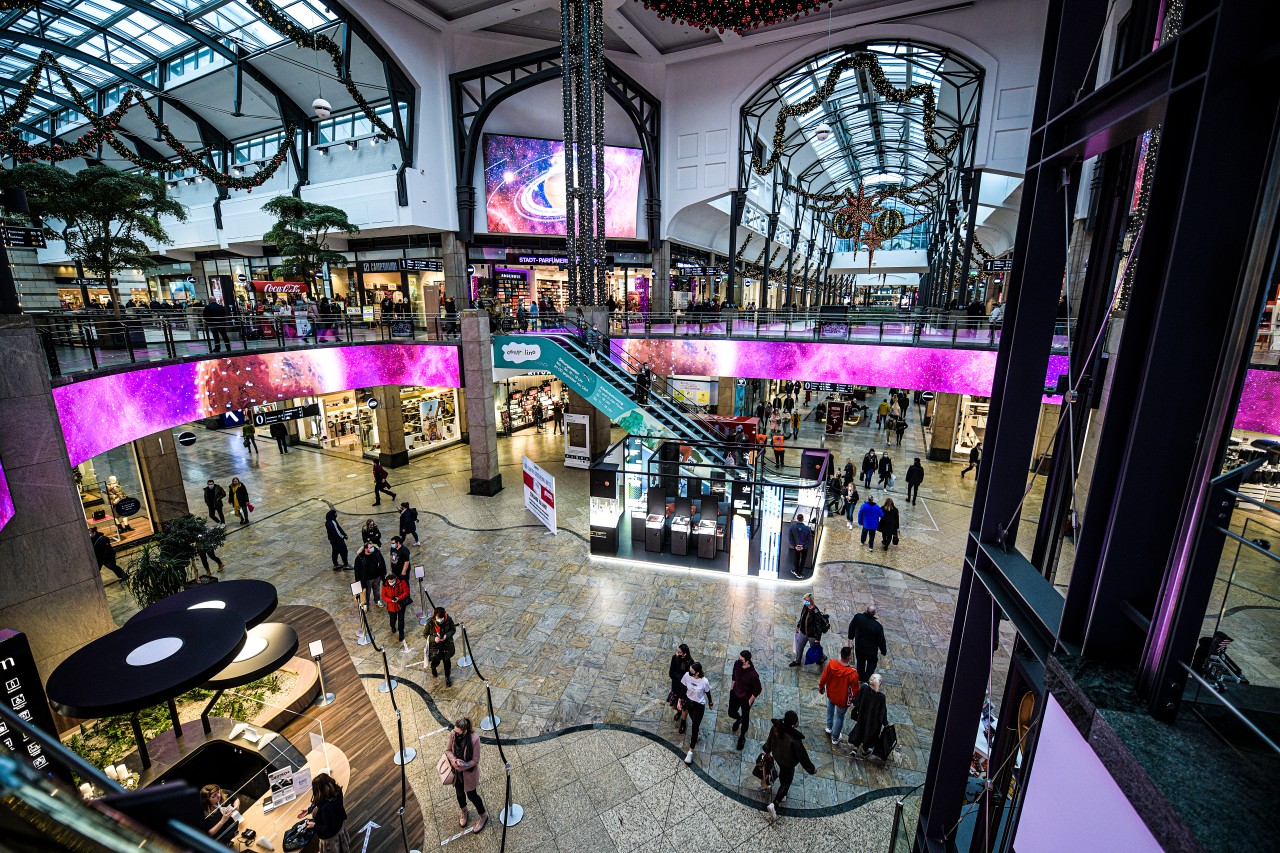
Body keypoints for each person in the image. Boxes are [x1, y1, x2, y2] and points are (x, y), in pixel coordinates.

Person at [762, 711, 816, 823]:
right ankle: (775, 804)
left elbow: (769, 740)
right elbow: (803, 757)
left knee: (783, 774)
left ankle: (783, 795)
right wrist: (812, 769)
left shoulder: (776, 727)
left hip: (778, 758)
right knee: (787, 782)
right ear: (792, 725)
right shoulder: (795, 739)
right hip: (789, 763)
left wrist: (767, 750)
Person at [445, 718, 488, 833]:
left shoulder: (474, 739)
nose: (455, 733)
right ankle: (464, 811)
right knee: (459, 794)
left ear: (465, 731)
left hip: (468, 773)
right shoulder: (453, 734)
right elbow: (448, 750)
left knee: (472, 795)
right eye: (455, 731)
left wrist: (463, 765)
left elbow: (475, 760)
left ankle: (483, 815)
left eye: (458, 732)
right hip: (457, 773)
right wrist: (454, 760)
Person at [818, 647, 860, 746]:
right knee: (840, 717)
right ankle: (835, 737)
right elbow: (855, 690)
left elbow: (823, 677)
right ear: (849, 657)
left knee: (830, 709)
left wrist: (821, 688)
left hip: (831, 693)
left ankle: (828, 727)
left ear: (840, 654)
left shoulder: (831, 664)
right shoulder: (853, 674)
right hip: (843, 699)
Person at [299, 772, 349, 853]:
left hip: (331, 838)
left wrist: (314, 825)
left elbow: (328, 828)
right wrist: (309, 809)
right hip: (340, 824)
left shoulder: (327, 808)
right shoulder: (337, 791)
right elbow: (322, 799)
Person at [679, 660, 714, 765]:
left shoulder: (704, 682)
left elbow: (708, 693)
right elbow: (683, 688)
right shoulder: (687, 676)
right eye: (689, 669)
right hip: (688, 702)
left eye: (691, 670)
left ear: (697, 673)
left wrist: (710, 703)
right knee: (692, 720)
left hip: (698, 705)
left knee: (695, 726)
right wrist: (679, 700)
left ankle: (690, 751)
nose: (689, 671)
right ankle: (692, 731)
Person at [848, 674, 889, 760]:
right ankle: (864, 750)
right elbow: (882, 712)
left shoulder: (864, 688)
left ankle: (855, 749)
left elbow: (856, 702)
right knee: (868, 735)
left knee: (859, 730)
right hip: (873, 721)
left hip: (862, 716)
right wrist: (885, 723)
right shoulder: (881, 697)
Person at [728, 650, 762, 751]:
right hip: (735, 693)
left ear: (747, 661)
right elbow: (734, 676)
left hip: (746, 699)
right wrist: (732, 688)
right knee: (731, 712)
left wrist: (749, 701)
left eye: (741, 660)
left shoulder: (753, 675)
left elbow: (758, 689)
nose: (739, 660)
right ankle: (739, 719)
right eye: (739, 658)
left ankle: (742, 737)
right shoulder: (737, 664)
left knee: (746, 719)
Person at [848, 605, 888, 683]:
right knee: (871, 665)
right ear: (874, 613)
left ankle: (860, 677)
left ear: (866, 610)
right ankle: (866, 681)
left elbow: (851, 627)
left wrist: (851, 637)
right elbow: (881, 640)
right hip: (871, 651)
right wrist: (883, 651)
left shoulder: (858, 617)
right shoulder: (877, 626)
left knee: (860, 663)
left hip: (859, 647)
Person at [789, 593, 826, 667]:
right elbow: (802, 617)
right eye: (804, 600)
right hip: (803, 632)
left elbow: (819, 627)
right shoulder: (805, 606)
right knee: (800, 645)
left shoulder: (816, 612)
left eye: (806, 600)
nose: (804, 601)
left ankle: (822, 657)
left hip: (812, 635)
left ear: (811, 601)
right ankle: (797, 660)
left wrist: (817, 639)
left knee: (814, 648)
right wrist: (799, 625)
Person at [426, 606, 457, 685]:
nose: (440, 620)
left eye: (441, 618)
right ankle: (433, 668)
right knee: (436, 662)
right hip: (435, 647)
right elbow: (425, 634)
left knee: (447, 663)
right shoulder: (430, 623)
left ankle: (447, 677)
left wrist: (447, 635)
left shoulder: (448, 619)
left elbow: (453, 629)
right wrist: (434, 638)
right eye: (438, 618)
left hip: (446, 645)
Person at [353, 542, 385, 607]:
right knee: (366, 592)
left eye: (373, 547)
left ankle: (377, 601)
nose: (372, 548)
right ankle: (365, 604)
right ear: (366, 549)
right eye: (370, 547)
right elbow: (357, 571)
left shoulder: (376, 553)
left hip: (377, 577)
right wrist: (358, 581)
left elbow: (382, 562)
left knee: (377, 590)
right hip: (366, 579)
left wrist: (383, 573)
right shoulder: (360, 558)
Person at [381, 572, 411, 641]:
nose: (391, 583)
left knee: (401, 620)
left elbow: (406, 592)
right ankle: (393, 626)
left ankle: (401, 633)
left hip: (400, 605)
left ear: (395, 579)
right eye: (389, 582)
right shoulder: (385, 585)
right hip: (391, 606)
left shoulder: (402, 582)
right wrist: (390, 600)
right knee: (392, 619)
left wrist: (399, 598)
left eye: (392, 581)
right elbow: (383, 596)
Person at [668, 643, 693, 725]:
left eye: (679, 652)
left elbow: (689, 677)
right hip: (675, 686)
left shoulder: (690, 662)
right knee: (675, 705)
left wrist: (679, 677)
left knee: (684, 708)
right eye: (677, 651)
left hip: (684, 689)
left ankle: (683, 721)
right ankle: (679, 712)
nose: (677, 653)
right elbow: (671, 673)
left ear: (685, 654)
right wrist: (680, 677)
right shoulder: (674, 658)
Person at [788, 513, 811, 579]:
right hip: (804, 547)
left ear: (797, 519)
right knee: (803, 560)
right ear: (803, 519)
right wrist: (803, 546)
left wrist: (795, 545)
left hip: (796, 546)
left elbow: (790, 538)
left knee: (796, 558)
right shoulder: (807, 528)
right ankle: (799, 573)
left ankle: (796, 570)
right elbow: (809, 539)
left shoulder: (792, 527)